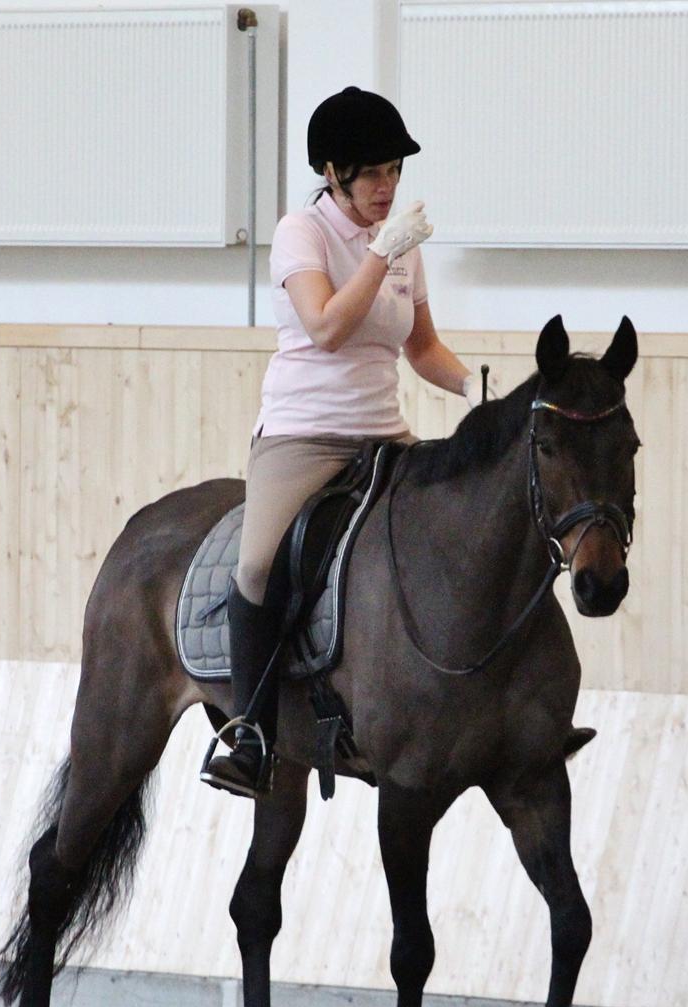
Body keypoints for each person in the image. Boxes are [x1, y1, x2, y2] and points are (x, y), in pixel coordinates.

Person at [201, 85, 482, 799]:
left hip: (383, 433)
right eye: (373, 174)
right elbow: (326, 326)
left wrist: (475, 389)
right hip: (303, 436)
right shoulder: (301, 232)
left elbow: (422, 348)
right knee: (258, 564)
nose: (387, 187)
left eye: (394, 171)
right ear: (333, 174)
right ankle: (251, 734)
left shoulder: (400, 245)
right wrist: (379, 255)